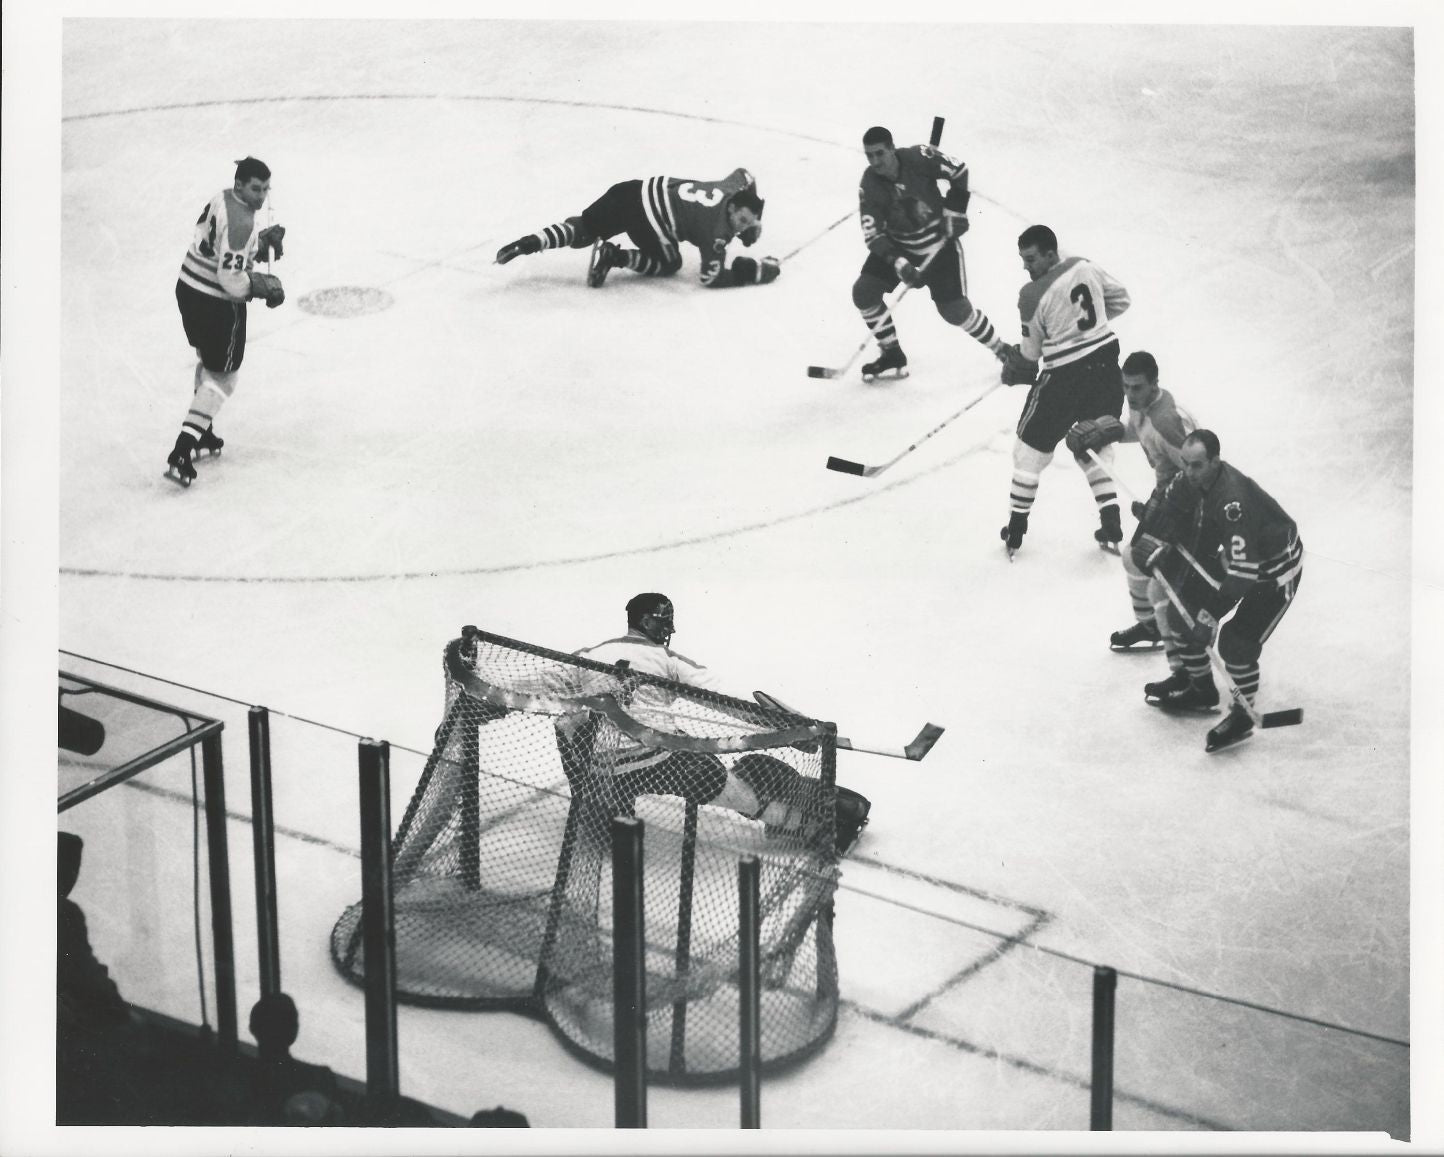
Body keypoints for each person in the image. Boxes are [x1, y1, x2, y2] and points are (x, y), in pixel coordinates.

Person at [557, 593, 869, 852]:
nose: (669, 630)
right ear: (647, 621)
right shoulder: (667, 659)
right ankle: (808, 824)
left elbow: (539, 681)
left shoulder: (587, 654)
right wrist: (789, 727)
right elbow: (725, 698)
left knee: (566, 727)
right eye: (664, 622)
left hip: (605, 769)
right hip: (661, 761)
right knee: (731, 789)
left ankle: (597, 812)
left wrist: (506, 704)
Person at [1131, 430, 1303, 752]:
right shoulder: (1191, 479)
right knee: (1181, 614)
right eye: (1185, 464)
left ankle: (1242, 714)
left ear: (1215, 462)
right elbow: (1168, 511)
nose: (1189, 472)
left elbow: (1242, 575)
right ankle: (1201, 689)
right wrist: (1148, 530)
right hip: (1237, 562)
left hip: (1273, 573)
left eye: (1197, 465)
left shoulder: (1232, 501)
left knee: (1235, 644)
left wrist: (1209, 618)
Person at [997, 225, 1131, 557]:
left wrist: (1020, 360)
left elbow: (1031, 354)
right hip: (1106, 369)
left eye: (1030, 259)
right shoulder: (1084, 265)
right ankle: (1111, 522)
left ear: (1049, 253)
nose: (1026, 267)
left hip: (1063, 380)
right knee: (1093, 446)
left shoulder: (1030, 295)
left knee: (1028, 454)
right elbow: (1121, 299)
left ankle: (1015, 531)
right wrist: (1088, 322)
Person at [1065, 351, 1199, 670]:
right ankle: (1153, 625)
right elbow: (1139, 430)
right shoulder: (1143, 406)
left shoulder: (1168, 422)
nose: (1129, 393)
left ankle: (1180, 644)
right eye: (1125, 386)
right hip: (1166, 495)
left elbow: (1198, 476)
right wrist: (1108, 433)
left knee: (1158, 573)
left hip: (1185, 502)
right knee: (1133, 558)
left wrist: (1166, 510)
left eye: (1137, 387)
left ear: (1155, 384)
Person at [851, 126, 1010, 380]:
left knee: (953, 311)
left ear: (892, 148)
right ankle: (891, 352)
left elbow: (959, 171)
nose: (874, 161)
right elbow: (873, 235)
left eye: (880, 153)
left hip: (939, 245)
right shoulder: (869, 184)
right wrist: (899, 262)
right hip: (900, 245)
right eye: (869, 155)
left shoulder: (918, 158)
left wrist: (954, 211)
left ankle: (1003, 350)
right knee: (864, 292)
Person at [166, 156, 286, 487]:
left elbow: (221, 245)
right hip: (216, 302)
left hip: (188, 288)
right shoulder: (243, 222)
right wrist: (261, 286)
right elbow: (230, 279)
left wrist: (257, 245)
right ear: (240, 185)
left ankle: (202, 431)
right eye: (255, 189)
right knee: (225, 377)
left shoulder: (221, 197)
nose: (261, 196)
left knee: (208, 360)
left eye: (266, 189)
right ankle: (184, 446)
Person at [494, 168, 780, 290]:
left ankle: (529, 242)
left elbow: (746, 174)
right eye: (741, 220)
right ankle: (616, 257)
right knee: (671, 264)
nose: (741, 227)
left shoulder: (729, 189)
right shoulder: (716, 235)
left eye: (747, 222)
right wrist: (755, 271)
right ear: (731, 209)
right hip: (649, 220)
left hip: (632, 190)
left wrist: (752, 220)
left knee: (583, 230)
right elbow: (710, 277)